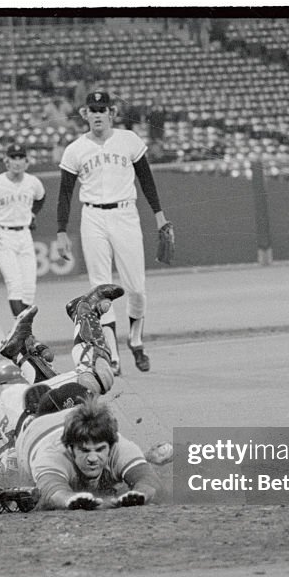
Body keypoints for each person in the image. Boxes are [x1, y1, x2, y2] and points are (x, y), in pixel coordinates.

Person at [0, 284, 162, 510]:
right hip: (4, 437)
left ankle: (22, 352)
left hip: (17, 426)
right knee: (96, 378)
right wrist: (71, 499)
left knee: (93, 380)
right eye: (85, 450)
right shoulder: (51, 451)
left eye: (99, 449)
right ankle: (84, 312)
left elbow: (147, 480)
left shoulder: (114, 445)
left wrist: (140, 489)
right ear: (69, 446)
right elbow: (55, 491)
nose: (94, 457)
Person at [56, 90, 174, 375]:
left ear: (112, 113)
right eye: (92, 109)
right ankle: (111, 354)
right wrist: (61, 230)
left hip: (125, 214)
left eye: (102, 109)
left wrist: (160, 216)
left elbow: (146, 179)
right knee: (100, 290)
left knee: (136, 288)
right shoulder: (75, 149)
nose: (97, 114)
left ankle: (135, 340)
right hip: (92, 216)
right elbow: (65, 194)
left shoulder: (128, 140)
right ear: (85, 114)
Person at [0, 142, 47, 317]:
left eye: (20, 157)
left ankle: (23, 334)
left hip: (24, 234)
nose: (17, 161)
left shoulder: (33, 182)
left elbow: (41, 198)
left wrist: (32, 214)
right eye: (13, 158)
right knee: (15, 285)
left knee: (29, 288)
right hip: (2, 234)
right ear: (6, 161)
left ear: (26, 162)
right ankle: (23, 335)